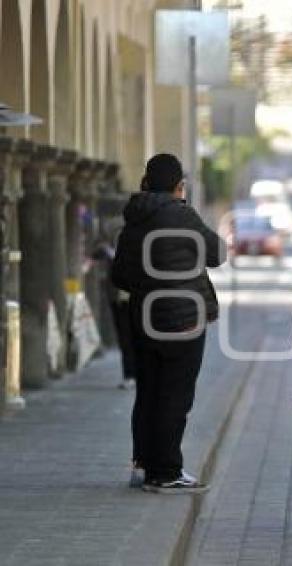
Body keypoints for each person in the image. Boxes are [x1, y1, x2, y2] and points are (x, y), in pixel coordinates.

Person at [112, 153, 225, 493]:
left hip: (143, 319)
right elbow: (217, 254)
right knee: (175, 397)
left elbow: (119, 275)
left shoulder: (134, 219)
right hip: (183, 320)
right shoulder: (183, 216)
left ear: (146, 182)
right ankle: (166, 471)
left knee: (148, 393)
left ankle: (143, 464)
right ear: (179, 186)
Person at [93, 224, 136, 390]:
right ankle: (129, 374)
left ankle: (136, 374)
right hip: (118, 296)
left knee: (135, 336)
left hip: (135, 295)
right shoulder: (113, 229)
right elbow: (96, 251)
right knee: (124, 337)